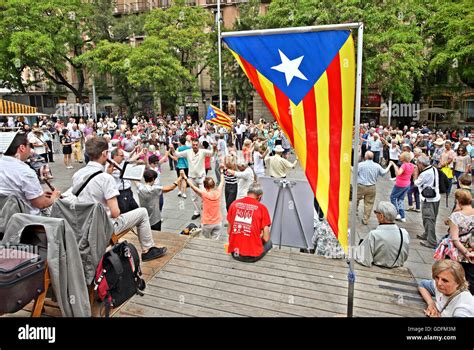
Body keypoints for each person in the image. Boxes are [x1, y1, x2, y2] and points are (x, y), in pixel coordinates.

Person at [72, 137, 167, 262]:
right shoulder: (105, 178)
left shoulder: (77, 175)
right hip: (104, 227)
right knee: (142, 212)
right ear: (105, 154)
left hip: (84, 226)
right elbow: (115, 212)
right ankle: (148, 249)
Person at [0, 132, 61, 215]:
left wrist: (38, 194)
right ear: (22, 148)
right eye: (30, 145)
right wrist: (54, 197)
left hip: (4, 216)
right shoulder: (25, 172)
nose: (31, 149)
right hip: (26, 219)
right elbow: (40, 203)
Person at [227, 182, 272, 263]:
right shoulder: (262, 208)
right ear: (260, 196)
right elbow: (266, 238)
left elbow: (229, 231)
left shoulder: (234, 204)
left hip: (235, 253)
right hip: (252, 257)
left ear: (247, 193)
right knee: (269, 243)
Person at [355, 201, 410, 268]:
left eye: (376, 212)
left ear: (381, 216)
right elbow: (405, 257)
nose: (375, 215)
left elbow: (364, 260)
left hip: (378, 269)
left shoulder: (374, 235)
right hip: (397, 266)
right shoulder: (404, 233)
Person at [172, 138, 215, 220]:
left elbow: (211, 154)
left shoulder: (203, 151)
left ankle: (205, 211)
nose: (195, 146)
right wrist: (172, 149)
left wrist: (214, 148)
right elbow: (177, 154)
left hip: (201, 177)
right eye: (193, 145)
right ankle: (196, 212)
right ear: (191, 145)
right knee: (193, 197)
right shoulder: (188, 152)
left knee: (204, 195)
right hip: (191, 178)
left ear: (198, 145)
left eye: (196, 145)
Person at [442, 189, 474, 294]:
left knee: (451, 275)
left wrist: (465, 252)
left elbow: (455, 239)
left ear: (458, 201)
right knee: (470, 278)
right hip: (472, 251)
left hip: (458, 253)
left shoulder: (456, 216)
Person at [184, 168, 225, 239]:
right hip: (218, 222)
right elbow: (222, 182)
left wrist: (185, 177)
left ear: (205, 187)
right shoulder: (218, 192)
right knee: (215, 240)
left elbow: (193, 187)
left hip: (207, 223)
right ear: (214, 185)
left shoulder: (204, 194)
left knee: (205, 239)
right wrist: (221, 172)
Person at [356, 151, 393, 225]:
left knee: (356, 199)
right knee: (369, 203)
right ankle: (365, 219)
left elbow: (354, 172)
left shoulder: (360, 165)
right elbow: (384, 172)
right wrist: (389, 165)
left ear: (365, 157)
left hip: (360, 186)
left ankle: (355, 210)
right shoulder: (377, 166)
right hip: (372, 187)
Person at [414, 155, 441, 249]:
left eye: (417, 164)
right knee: (429, 218)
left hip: (428, 199)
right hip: (436, 197)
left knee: (429, 219)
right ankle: (426, 234)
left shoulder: (424, 173)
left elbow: (416, 183)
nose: (417, 165)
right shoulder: (433, 169)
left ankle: (432, 241)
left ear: (421, 164)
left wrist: (415, 173)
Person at [389, 152, 415, 223]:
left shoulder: (404, 165)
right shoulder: (411, 165)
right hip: (407, 184)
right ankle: (402, 216)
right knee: (401, 199)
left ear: (403, 158)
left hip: (400, 184)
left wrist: (393, 165)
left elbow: (398, 173)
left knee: (393, 197)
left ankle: (397, 213)